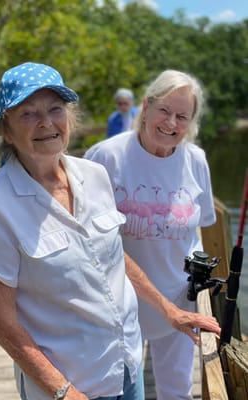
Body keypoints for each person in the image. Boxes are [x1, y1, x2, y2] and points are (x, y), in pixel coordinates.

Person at [0, 63, 220, 400]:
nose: (45, 122)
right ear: (7, 129)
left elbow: (114, 257)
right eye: (28, 113)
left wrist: (168, 310)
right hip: (70, 383)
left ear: (70, 118)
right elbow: (0, 324)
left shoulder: (95, 175)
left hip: (127, 368)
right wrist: (63, 391)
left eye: (55, 109)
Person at [84, 69, 217, 400]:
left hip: (179, 297)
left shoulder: (196, 160)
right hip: (118, 303)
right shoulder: (106, 157)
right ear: (145, 106)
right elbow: (85, 234)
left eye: (182, 116)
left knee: (177, 391)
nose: (171, 123)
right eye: (164, 110)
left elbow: (202, 227)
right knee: (115, 391)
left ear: (191, 123)